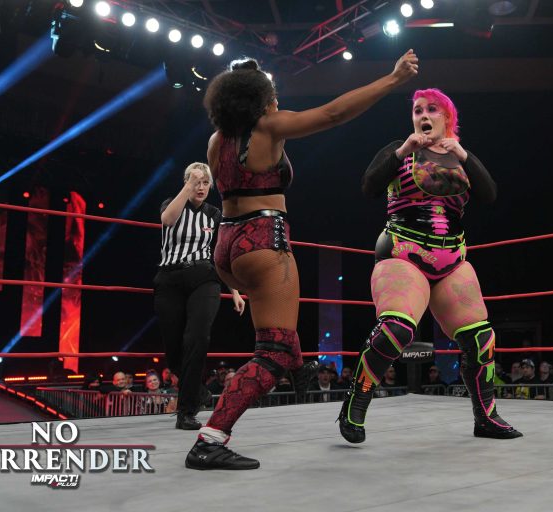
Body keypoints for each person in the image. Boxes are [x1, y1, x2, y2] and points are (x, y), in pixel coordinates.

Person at [185, 50, 420, 470]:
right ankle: (211, 438)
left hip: (227, 245)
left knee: (282, 333)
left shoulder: (217, 140)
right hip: (262, 241)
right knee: (272, 351)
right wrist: (392, 79)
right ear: (260, 100)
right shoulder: (268, 127)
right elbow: (332, 114)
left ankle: (302, 371)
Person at [338, 88, 521, 443]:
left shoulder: (461, 158)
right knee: (397, 329)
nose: (423, 115)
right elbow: (369, 186)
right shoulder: (399, 149)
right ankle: (355, 403)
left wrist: (463, 154)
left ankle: (486, 417)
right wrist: (403, 151)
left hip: (452, 257)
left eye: (432, 109)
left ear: (447, 117)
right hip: (404, 251)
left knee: (481, 338)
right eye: (418, 110)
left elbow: (490, 194)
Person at [154, 162, 246, 431]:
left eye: (206, 182)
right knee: (173, 352)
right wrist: (188, 185)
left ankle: (186, 411)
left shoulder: (214, 214)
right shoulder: (172, 204)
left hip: (204, 278)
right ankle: (199, 391)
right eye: (197, 182)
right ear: (187, 183)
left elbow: (221, 254)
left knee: (197, 339)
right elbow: (167, 220)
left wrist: (234, 290)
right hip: (169, 279)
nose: (201, 187)